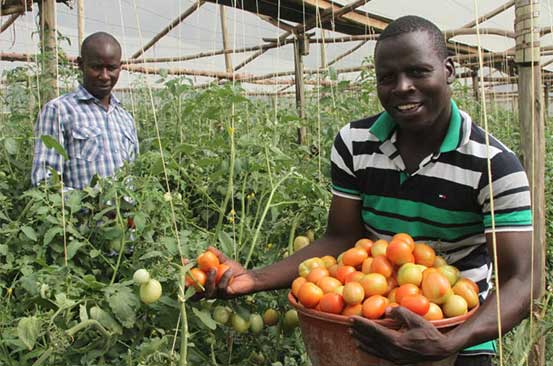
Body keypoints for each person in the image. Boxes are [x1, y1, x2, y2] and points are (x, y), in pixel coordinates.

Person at [202, 15, 538, 366]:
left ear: (449, 70)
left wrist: (449, 341)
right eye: (387, 78)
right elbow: (341, 238)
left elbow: (523, 281)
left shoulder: (494, 164)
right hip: (366, 325)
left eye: (418, 71)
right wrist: (252, 278)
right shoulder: (354, 144)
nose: (402, 87)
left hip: (458, 331)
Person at [32, 32, 138, 189]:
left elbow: (134, 175)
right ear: (80, 64)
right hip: (80, 213)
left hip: (126, 214)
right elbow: (44, 181)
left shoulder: (125, 118)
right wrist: (91, 206)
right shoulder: (59, 111)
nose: (104, 76)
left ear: (120, 67)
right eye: (96, 67)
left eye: (111, 68)